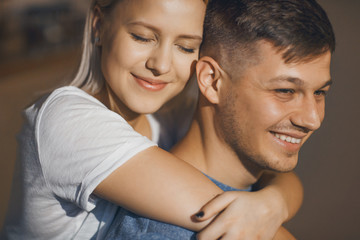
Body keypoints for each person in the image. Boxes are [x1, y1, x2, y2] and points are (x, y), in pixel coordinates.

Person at [1, 0, 303, 239]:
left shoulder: (169, 118)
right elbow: (231, 217)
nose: (160, 64)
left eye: (185, 47)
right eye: (142, 37)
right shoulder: (67, 120)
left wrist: (273, 202)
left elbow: (272, 168)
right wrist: (268, 209)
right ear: (98, 25)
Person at [103, 0, 336, 239]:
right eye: (285, 91)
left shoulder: (261, 190)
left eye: (319, 92)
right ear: (212, 81)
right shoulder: (161, 231)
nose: (312, 119)